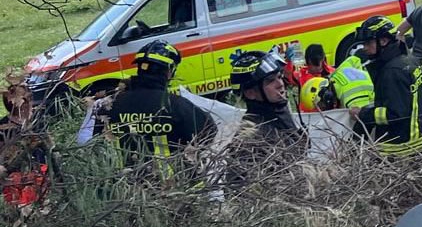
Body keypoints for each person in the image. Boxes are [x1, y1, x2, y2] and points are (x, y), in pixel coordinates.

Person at [105, 40, 216, 171]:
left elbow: (90, 141)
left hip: (120, 184)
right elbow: (209, 134)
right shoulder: (176, 105)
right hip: (170, 185)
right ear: (169, 72)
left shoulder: (109, 104)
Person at [348, 16, 422, 157]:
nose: (364, 48)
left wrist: (362, 114)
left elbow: (395, 114)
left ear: (383, 41)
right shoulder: (409, 60)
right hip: (421, 138)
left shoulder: (391, 72)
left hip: (401, 147)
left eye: (368, 43)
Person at [230, 49, 303, 144]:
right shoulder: (250, 138)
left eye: (280, 77)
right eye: (270, 81)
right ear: (250, 93)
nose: (280, 84)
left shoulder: (279, 113)